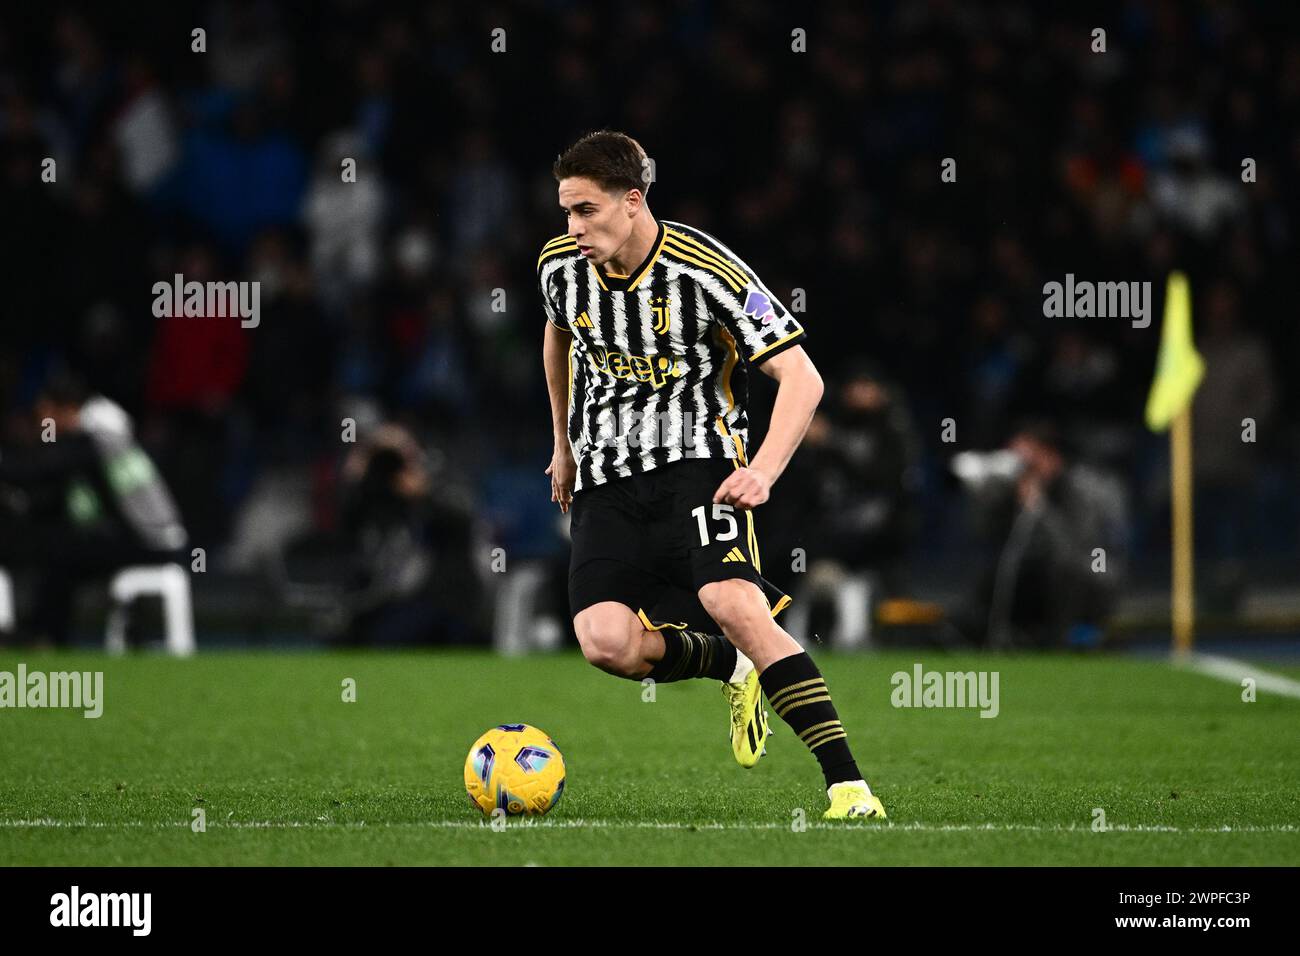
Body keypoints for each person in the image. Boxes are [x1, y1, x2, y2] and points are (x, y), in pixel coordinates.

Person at [538, 131, 884, 819]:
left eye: (587, 211)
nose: (572, 228)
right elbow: (558, 334)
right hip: (607, 478)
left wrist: (763, 470)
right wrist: (563, 445)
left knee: (734, 604)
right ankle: (728, 667)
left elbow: (802, 376)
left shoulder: (711, 271)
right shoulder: (559, 266)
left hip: (699, 466)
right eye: (566, 212)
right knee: (605, 644)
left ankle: (848, 786)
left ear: (632, 201)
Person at [0, 372, 187, 645]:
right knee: (63, 551)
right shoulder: (105, 430)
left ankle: (44, 635)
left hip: (153, 541)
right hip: (148, 536)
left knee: (59, 553)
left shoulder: (96, 436)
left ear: (66, 409)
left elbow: (41, 469)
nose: (43, 423)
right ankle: (46, 633)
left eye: (46, 414)